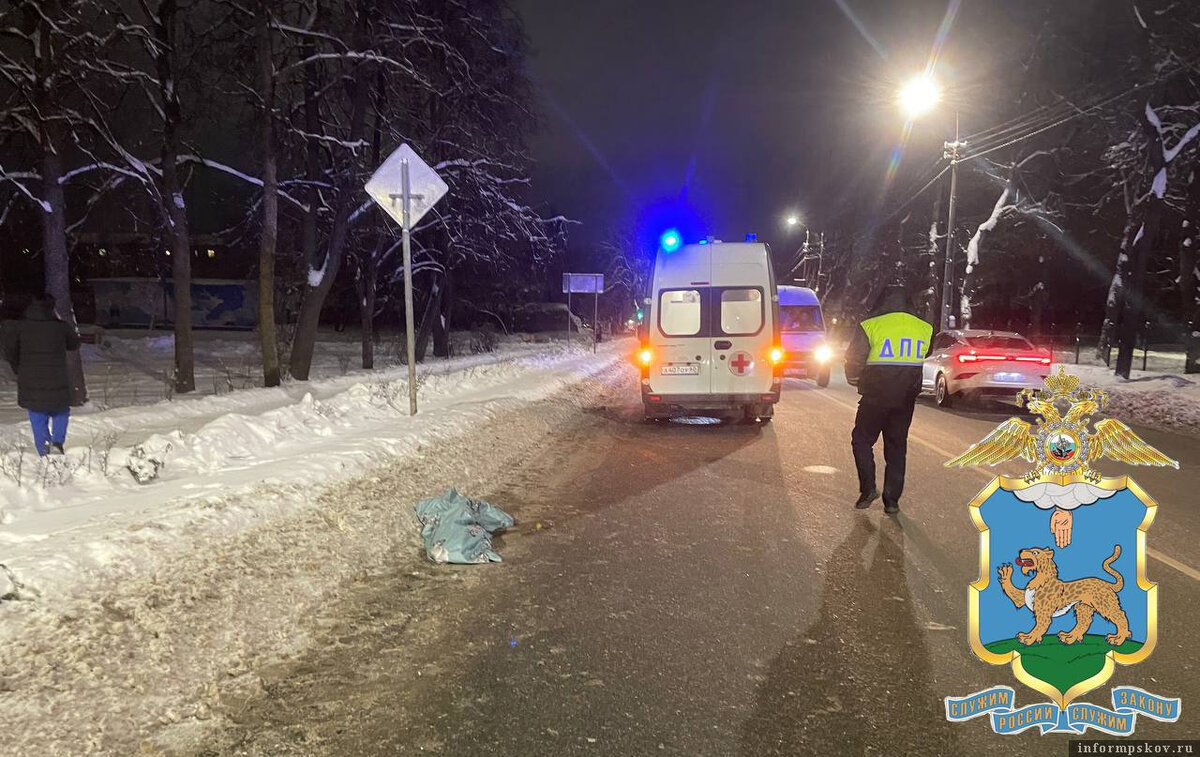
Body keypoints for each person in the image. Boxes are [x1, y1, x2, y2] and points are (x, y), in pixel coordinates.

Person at [843, 284, 933, 515]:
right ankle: (892, 501)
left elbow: (855, 358)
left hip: (875, 396)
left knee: (861, 440)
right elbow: (927, 352)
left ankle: (868, 488)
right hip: (905, 398)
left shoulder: (870, 325)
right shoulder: (924, 327)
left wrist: (854, 379)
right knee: (896, 447)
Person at [1, 293, 81, 456]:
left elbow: (9, 351)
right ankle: (57, 443)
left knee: (37, 414)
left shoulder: (20, 327)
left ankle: (44, 450)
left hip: (30, 379)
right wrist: (60, 322)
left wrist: (18, 367)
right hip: (57, 377)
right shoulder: (60, 326)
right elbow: (74, 344)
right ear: (51, 308)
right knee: (61, 411)